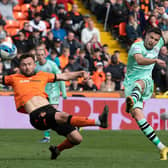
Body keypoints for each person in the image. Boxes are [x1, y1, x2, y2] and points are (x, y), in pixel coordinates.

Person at [1, 54, 109, 159]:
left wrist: (80, 73)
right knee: (62, 116)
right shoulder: (13, 78)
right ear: (20, 66)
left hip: (49, 109)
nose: (27, 67)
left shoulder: (43, 75)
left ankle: (57, 150)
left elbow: (64, 76)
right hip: (36, 114)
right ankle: (98, 122)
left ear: (34, 64)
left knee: (76, 138)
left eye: (29, 64)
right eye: (24, 65)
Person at [123, 26, 168, 160]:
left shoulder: (158, 43)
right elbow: (139, 60)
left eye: (156, 40)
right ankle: (162, 147)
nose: (153, 41)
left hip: (146, 82)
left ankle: (132, 100)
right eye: (151, 38)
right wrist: (155, 60)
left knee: (141, 82)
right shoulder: (137, 46)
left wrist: (164, 15)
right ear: (146, 35)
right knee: (138, 117)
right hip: (130, 85)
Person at [35, 45, 67, 143]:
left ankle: (72, 124)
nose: (40, 56)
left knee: (51, 115)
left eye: (42, 54)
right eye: (38, 55)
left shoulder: (52, 65)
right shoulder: (35, 66)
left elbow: (61, 77)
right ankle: (73, 124)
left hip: (53, 92)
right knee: (46, 116)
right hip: (43, 94)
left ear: (45, 55)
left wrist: (64, 92)